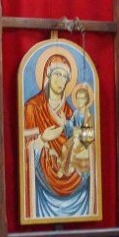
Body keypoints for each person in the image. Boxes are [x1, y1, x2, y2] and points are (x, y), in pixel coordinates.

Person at [23, 53, 91, 218]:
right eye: (57, 74)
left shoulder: (70, 112)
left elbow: (85, 143)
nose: (61, 80)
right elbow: (25, 150)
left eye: (65, 76)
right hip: (43, 186)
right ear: (48, 75)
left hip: (74, 182)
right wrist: (42, 139)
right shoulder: (33, 107)